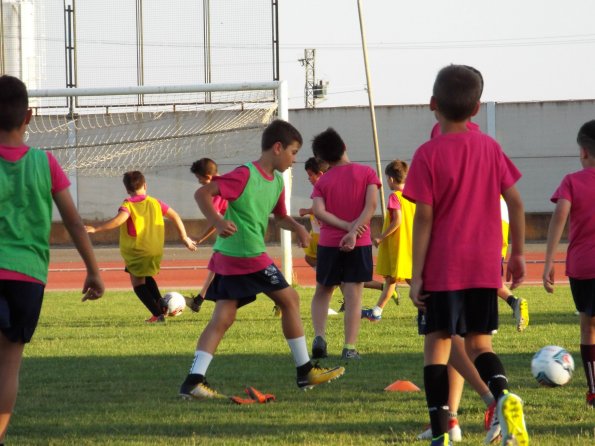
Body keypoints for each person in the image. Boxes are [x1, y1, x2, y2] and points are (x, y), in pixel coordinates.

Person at [404, 65, 528, 446]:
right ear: (476, 109)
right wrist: (517, 254)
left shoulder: (427, 154)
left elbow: (423, 217)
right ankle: (504, 395)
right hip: (483, 266)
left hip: (443, 268)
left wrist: (417, 274)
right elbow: (517, 202)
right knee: (479, 345)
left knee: (437, 346)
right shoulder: (490, 148)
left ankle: (442, 433)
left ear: (432, 105)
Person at [178, 119, 345, 399]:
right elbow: (202, 193)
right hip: (247, 254)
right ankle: (305, 372)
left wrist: (299, 229)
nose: (294, 160)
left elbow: (279, 217)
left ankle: (193, 381)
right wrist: (218, 221)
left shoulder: (277, 181)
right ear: (277, 148)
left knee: (224, 316)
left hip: (231, 256)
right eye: (293, 152)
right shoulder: (245, 174)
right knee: (290, 299)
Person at [0, 75, 105, 444]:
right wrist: (94, 270)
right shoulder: (46, 164)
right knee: (9, 366)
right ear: (29, 116)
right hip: (28, 277)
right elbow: (74, 222)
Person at [309, 127, 381, 361]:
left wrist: (344, 227)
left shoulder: (322, 181)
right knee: (354, 295)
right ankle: (349, 347)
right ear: (344, 147)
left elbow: (319, 211)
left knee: (323, 289)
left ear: (322, 159)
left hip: (329, 243)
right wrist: (354, 231)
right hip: (359, 243)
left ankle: (319, 336)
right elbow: (370, 207)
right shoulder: (367, 173)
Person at [86, 171, 196, 322]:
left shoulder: (129, 205)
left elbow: (119, 221)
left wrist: (96, 228)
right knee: (146, 276)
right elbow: (175, 216)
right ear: (145, 185)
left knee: (138, 284)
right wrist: (184, 238)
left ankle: (157, 315)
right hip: (155, 250)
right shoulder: (155, 202)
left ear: (127, 189)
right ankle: (160, 303)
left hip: (137, 251)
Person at [543, 119, 595, 409]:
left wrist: (549, 260)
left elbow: (558, 218)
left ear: (584, 152)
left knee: (588, 327)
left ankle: (593, 389)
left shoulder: (572, 182)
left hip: (583, 266)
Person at [362, 160, 414, 322]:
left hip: (399, 245)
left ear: (391, 179)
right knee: (391, 279)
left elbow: (397, 220)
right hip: (412, 243)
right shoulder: (414, 197)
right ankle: (377, 311)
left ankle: (430, 311)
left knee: (411, 279)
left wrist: (381, 236)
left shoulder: (395, 197)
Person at [185, 158, 228, 313]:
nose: (199, 182)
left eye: (199, 179)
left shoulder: (216, 189)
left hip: (237, 232)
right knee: (216, 263)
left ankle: (281, 297)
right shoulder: (227, 181)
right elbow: (219, 220)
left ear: (208, 176)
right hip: (233, 231)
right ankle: (199, 300)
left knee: (255, 271)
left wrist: (200, 238)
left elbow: (215, 218)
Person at [499, 197, 529, 332]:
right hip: (500, 222)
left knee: (479, 279)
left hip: (485, 220)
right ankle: (514, 303)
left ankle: (487, 324)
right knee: (489, 279)